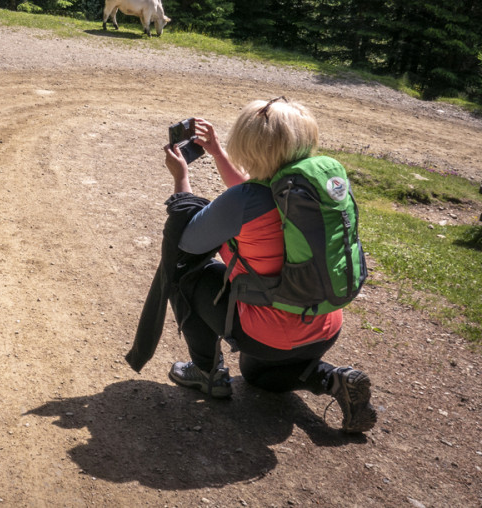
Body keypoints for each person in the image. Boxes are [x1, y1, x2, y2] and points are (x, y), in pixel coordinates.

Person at [160, 97, 376, 433]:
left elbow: (187, 240)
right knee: (257, 375)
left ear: (249, 144)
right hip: (323, 324)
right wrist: (216, 152)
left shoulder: (243, 201)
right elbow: (251, 190)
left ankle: (205, 373)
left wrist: (181, 178)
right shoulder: (307, 188)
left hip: (269, 333)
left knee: (186, 274)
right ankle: (333, 378)